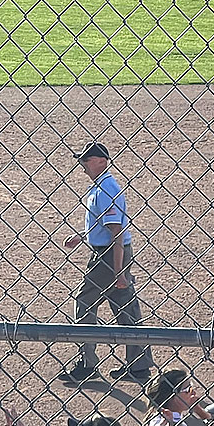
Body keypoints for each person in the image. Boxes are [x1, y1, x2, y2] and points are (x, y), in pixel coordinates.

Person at [58, 142, 154, 385]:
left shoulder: (105, 190)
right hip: (113, 252)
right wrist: (84, 234)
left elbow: (116, 232)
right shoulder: (102, 186)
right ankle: (139, 365)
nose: (82, 166)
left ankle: (87, 364)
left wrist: (119, 271)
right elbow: (105, 224)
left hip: (109, 255)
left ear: (100, 161)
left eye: (85, 160)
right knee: (125, 307)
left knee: (84, 302)